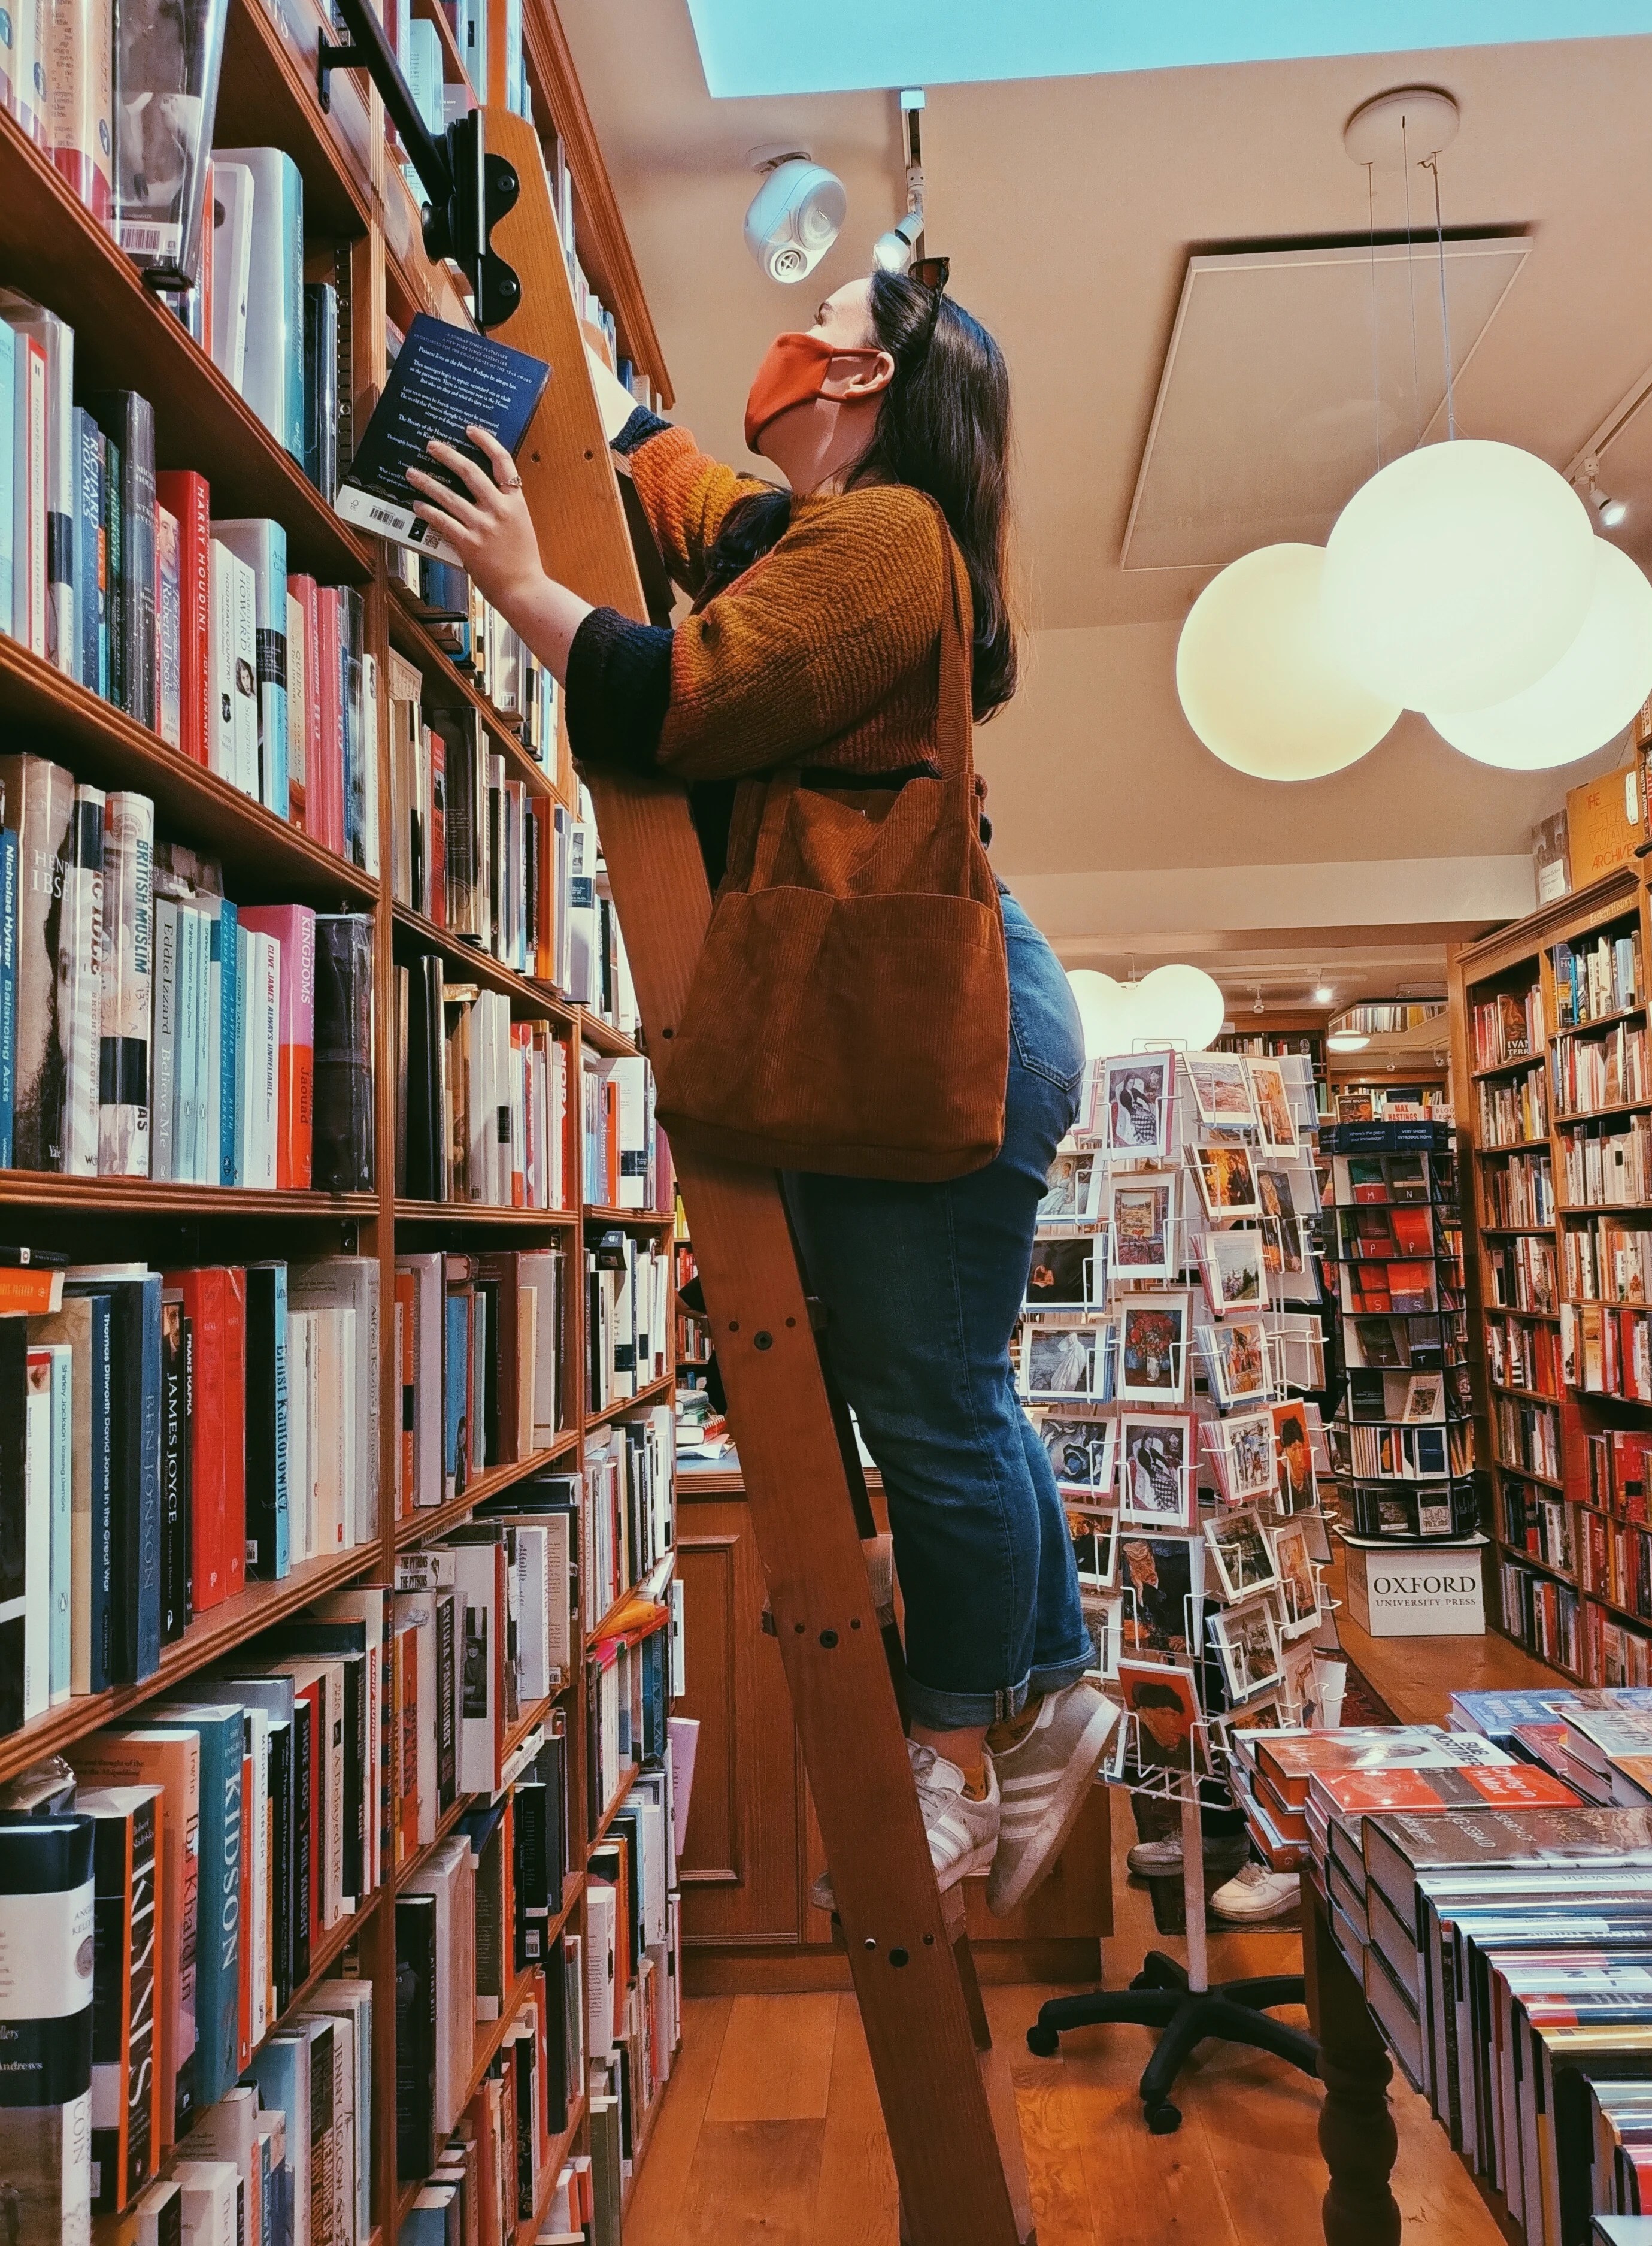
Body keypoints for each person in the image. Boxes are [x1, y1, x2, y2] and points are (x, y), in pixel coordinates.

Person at [405, 265, 1120, 1917]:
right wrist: (542, 350)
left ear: (858, 372)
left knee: (929, 1397)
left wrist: (520, 581)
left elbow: (686, 700)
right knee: (954, 1387)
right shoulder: (833, 541)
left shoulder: (884, 536)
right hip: (941, 1012)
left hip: (935, 1021)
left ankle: (953, 1755)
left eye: (816, 321)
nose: (780, 343)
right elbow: (685, 482)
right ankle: (1049, 1689)